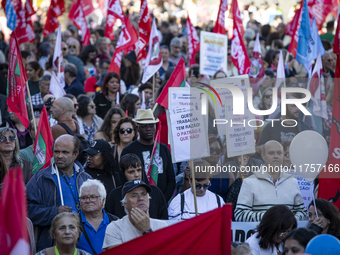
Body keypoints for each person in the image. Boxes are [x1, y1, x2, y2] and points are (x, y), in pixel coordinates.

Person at [27, 135, 92, 251]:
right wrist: (54, 212)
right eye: (56, 151)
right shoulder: (41, 178)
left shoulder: (86, 179)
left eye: (65, 152)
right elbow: (25, 209)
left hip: (85, 244)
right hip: (52, 245)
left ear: (75, 154)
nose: (60, 156)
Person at [235, 140, 306, 222]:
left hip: (287, 234)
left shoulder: (292, 181)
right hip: (262, 234)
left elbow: (302, 212)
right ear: (263, 156)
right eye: (271, 153)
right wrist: (271, 219)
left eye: (279, 153)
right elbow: (239, 214)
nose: (276, 156)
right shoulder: (250, 182)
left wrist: (289, 222)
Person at [121, 109, 175, 202]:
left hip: (161, 202)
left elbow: (171, 179)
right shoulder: (129, 150)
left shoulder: (164, 149)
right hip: (137, 202)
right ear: (137, 128)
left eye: (151, 125)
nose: (148, 129)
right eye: (144, 126)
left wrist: (163, 200)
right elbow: (123, 179)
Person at [102, 180, 167, 249]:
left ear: (149, 199)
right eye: (134, 195)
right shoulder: (115, 228)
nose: (141, 198)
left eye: (144, 194)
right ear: (125, 203)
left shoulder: (162, 226)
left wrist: (147, 231)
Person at [105, 153, 168, 219]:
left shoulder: (155, 191)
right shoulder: (114, 195)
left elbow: (164, 219)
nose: (137, 175)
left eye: (139, 170)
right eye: (131, 172)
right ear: (123, 174)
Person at [77, 179, 119, 254]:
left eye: (93, 197)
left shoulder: (115, 222)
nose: (88, 200)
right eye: (83, 198)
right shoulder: (74, 223)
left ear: (103, 200)